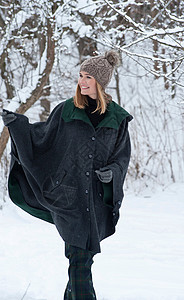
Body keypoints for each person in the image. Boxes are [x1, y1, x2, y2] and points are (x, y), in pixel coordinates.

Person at [1, 50, 133, 300]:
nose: (82, 82)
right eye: (81, 76)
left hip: (95, 202)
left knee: (80, 262)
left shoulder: (118, 119)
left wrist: (111, 174)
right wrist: (17, 125)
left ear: (100, 82)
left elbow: (122, 157)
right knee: (79, 259)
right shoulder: (66, 111)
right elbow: (41, 138)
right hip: (69, 200)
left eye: (88, 77)